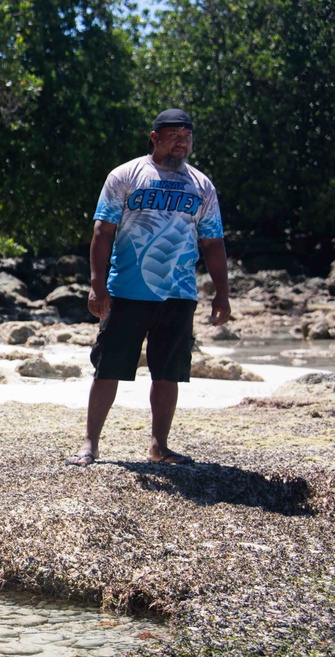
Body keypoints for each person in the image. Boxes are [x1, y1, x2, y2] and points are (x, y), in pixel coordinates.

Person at [65, 108, 230, 468]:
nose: (181, 142)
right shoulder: (125, 176)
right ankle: (89, 445)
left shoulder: (201, 185)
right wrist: (97, 285)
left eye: (187, 136)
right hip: (126, 289)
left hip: (179, 292)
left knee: (168, 372)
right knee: (108, 368)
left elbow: (213, 241)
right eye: (174, 136)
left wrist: (222, 293)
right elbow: (102, 232)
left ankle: (159, 446)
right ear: (154, 138)